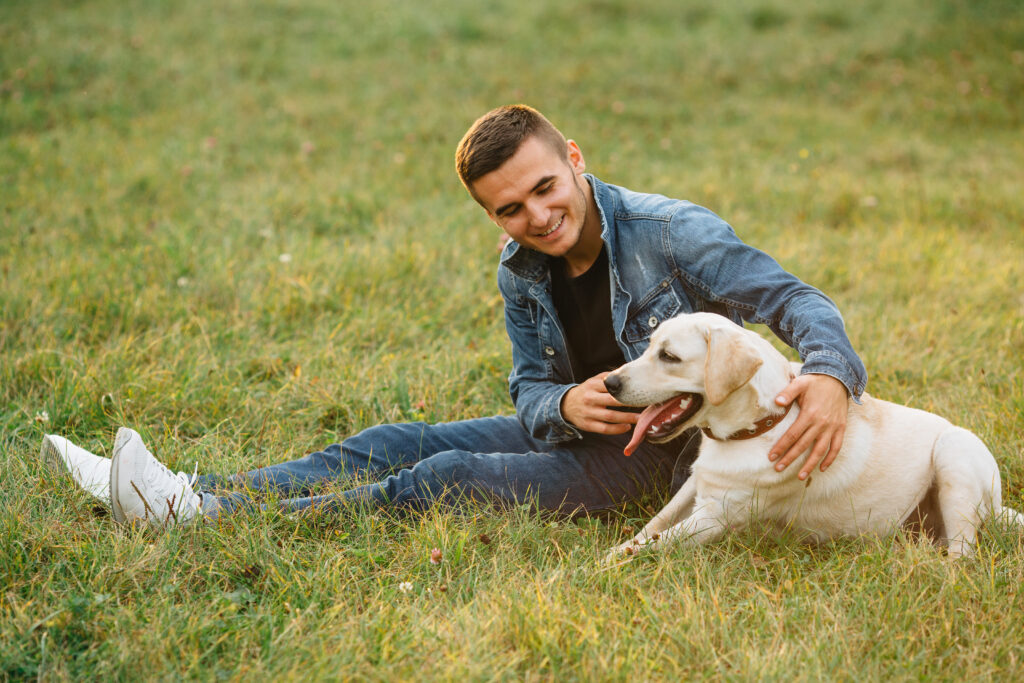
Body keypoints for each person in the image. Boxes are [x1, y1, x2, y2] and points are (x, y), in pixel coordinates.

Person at [41, 104, 866, 528]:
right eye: (509, 208)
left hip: (674, 460)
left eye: (546, 187)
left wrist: (829, 375)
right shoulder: (521, 268)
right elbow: (529, 386)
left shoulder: (669, 230)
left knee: (440, 477)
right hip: (591, 429)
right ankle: (190, 494)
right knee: (399, 440)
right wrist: (561, 404)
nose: (537, 216)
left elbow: (795, 300)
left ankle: (192, 520)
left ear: (573, 160)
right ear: (492, 215)